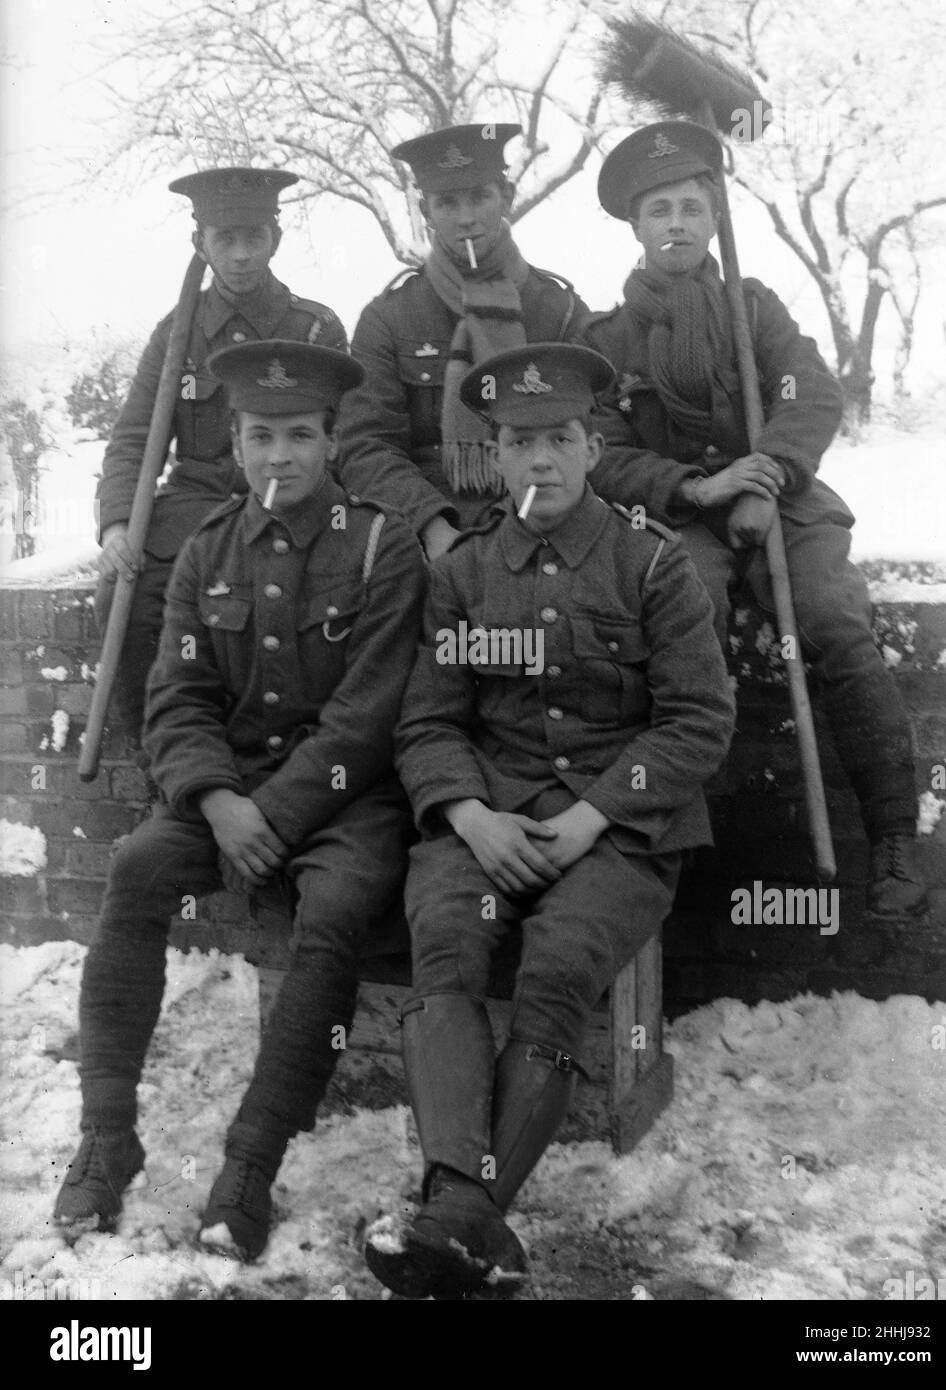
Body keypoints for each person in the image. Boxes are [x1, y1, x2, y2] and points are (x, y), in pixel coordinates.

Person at [363, 343, 735, 1299]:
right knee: (444, 937)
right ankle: (470, 1219)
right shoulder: (463, 573)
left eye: (560, 440)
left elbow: (698, 719)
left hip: (624, 828)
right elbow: (430, 719)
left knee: (561, 960)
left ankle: (454, 1212)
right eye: (521, 443)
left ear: (591, 445)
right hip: (487, 813)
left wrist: (592, 818)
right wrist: (469, 814)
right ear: (494, 458)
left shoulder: (652, 564)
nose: (542, 462)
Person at [54, 342, 426, 1262]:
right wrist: (218, 800)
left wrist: (278, 813)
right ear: (235, 438)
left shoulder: (384, 543)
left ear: (332, 441)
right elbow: (174, 699)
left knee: (334, 909)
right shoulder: (208, 547)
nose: (280, 457)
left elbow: (369, 714)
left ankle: (250, 1164)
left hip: (348, 803)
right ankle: (107, 1135)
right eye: (261, 435)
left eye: (301, 435)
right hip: (227, 794)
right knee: (137, 870)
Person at [580, 122, 926, 917]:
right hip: (677, 515)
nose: (677, 224)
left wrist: (764, 476)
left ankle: (894, 839)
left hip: (783, 505)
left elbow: (812, 392)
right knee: (677, 620)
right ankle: (658, 838)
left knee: (832, 622)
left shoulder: (753, 308)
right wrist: (697, 489)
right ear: (634, 226)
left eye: (693, 208)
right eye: (660, 209)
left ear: (714, 221)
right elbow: (603, 451)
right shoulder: (604, 338)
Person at [95, 167, 347, 750]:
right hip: (196, 507)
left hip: (294, 500)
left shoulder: (314, 327)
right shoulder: (176, 336)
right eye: (223, 240)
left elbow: (346, 435)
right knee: (125, 601)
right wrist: (114, 527)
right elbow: (134, 437)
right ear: (199, 243)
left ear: (275, 239)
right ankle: (161, 769)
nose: (239, 255)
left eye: (253, 238)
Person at [335, 123, 591, 560]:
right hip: (428, 520)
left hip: (549, 516)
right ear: (425, 211)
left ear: (505, 199)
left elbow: (592, 433)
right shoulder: (389, 317)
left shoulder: (559, 310)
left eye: (480, 197)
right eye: (447, 203)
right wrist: (432, 526)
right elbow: (366, 446)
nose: (466, 217)